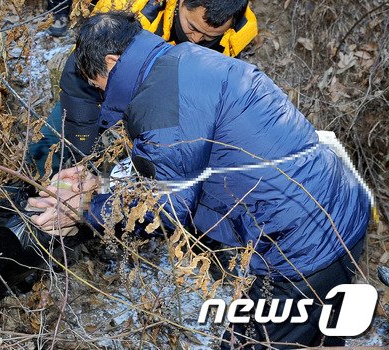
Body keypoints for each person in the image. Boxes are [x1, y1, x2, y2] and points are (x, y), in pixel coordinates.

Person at [28, 12, 372, 348]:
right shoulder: (184, 60)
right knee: (320, 339)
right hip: (341, 212)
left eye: (96, 81)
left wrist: (85, 208)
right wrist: (99, 185)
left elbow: (168, 205)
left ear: (113, 61)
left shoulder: (159, 106)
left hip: (303, 250)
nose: (98, 91)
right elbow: (183, 166)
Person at [29, 0, 258, 175]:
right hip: (95, 84)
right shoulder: (130, 5)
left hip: (154, 108)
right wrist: (81, 149)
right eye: (192, 27)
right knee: (50, 144)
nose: (196, 39)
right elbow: (82, 69)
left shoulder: (238, 33)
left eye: (209, 36)